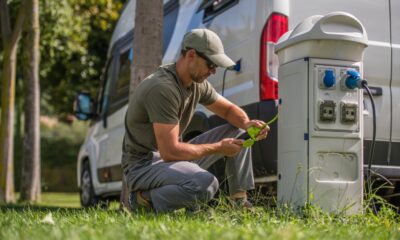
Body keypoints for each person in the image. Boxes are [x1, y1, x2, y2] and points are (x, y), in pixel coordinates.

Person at [121, 28, 269, 213]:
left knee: (239, 130)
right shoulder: (162, 88)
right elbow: (170, 151)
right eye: (211, 64)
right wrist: (219, 148)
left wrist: (247, 123)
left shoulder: (197, 84)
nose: (213, 71)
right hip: (143, 167)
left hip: (169, 161)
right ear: (191, 54)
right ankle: (142, 200)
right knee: (206, 184)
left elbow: (229, 110)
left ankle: (239, 205)